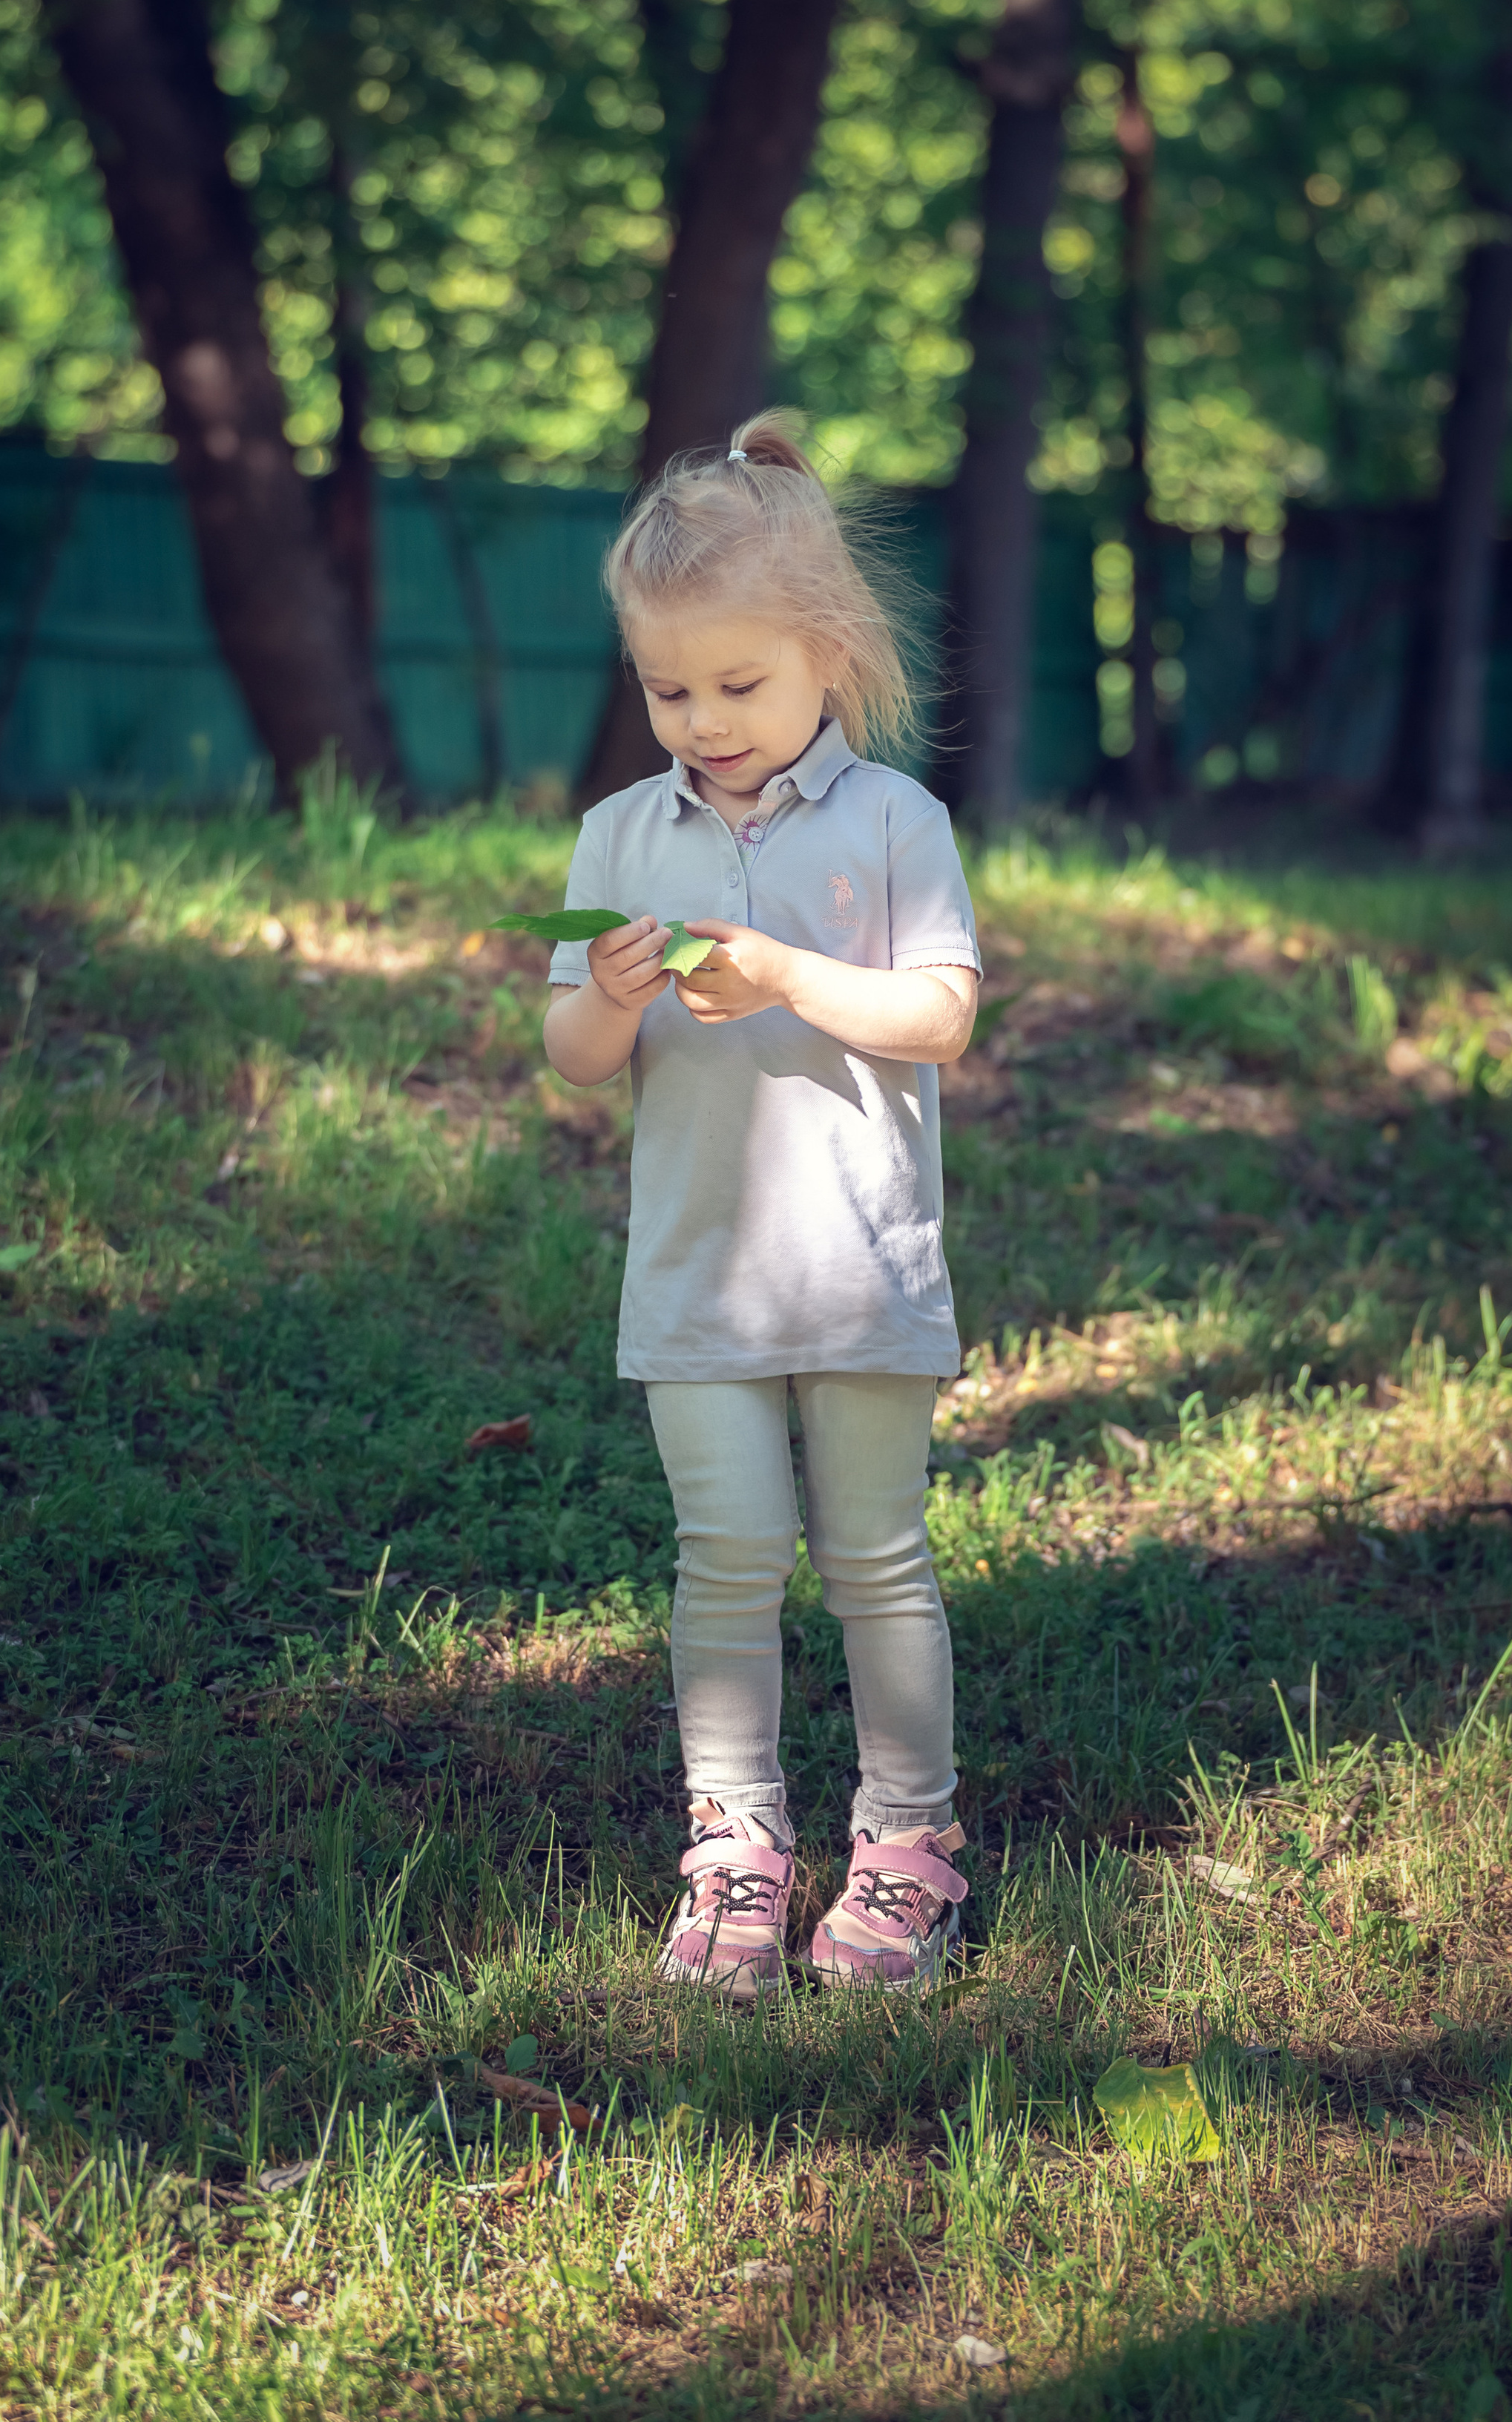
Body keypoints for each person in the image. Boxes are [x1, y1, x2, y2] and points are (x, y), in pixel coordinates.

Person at [541, 412, 982, 1998]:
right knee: (723, 1558)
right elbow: (575, 1060)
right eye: (671, 689)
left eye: (739, 684)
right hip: (697, 1282)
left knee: (874, 1560)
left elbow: (939, 1017)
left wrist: (790, 973)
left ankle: (907, 1845)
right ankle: (732, 1847)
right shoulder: (619, 834)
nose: (704, 721)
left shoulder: (893, 825)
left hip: (859, 1270)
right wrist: (600, 993)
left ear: (826, 655)